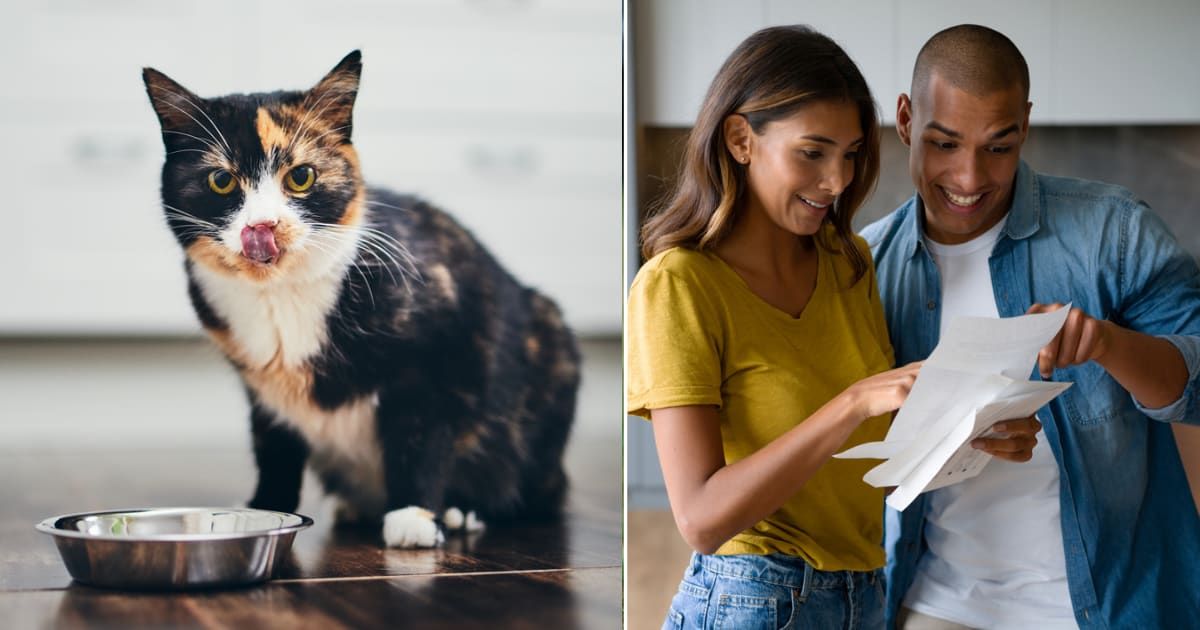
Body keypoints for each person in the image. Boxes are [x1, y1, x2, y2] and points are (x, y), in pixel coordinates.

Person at [627, 25, 1037, 629]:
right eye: (812, 152)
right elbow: (701, 519)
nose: (838, 181)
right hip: (753, 597)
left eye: (849, 154)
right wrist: (850, 403)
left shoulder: (848, 264)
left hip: (866, 593)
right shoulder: (680, 285)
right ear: (741, 138)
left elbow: (878, 443)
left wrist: (980, 428)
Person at [861, 23, 1200, 630]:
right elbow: (848, 468)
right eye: (944, 144)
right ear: (906, 119)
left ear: (1026, 125)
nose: (969, 179)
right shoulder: (864, 269)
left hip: (1113, 604)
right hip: (938, 601)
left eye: (998, 146)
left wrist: (1106, 344)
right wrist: (945, 440)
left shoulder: (1112, 233)